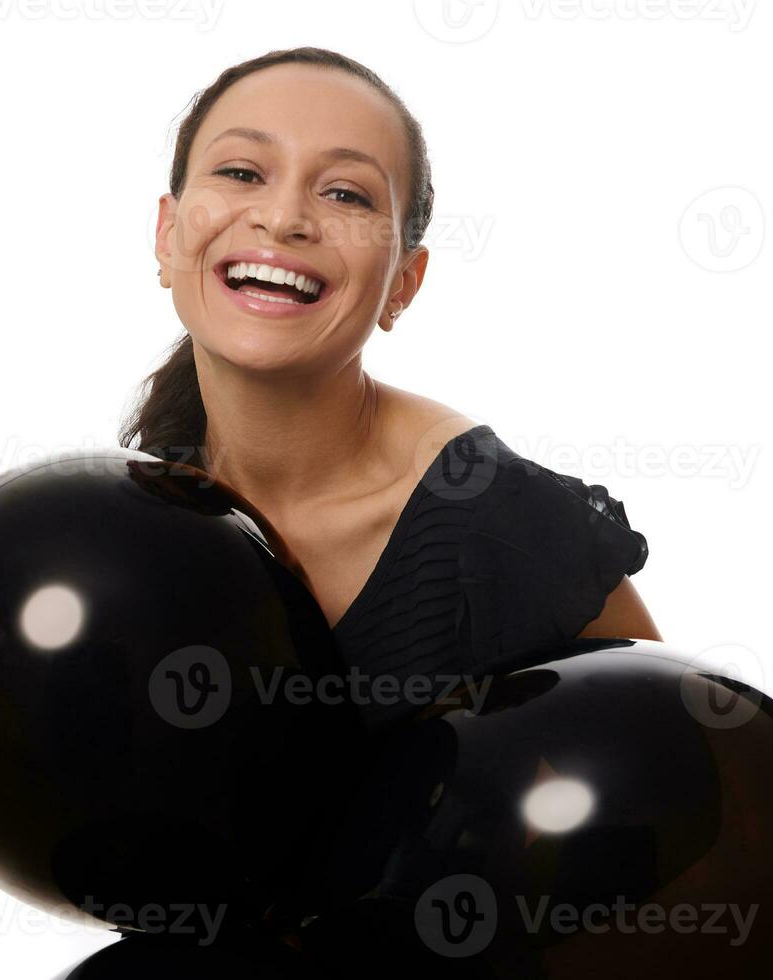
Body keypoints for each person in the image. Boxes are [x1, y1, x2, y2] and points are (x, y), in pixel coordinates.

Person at [122, 46, 660, 730]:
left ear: (403, 283)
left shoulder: (507, 528)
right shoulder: (137, 507)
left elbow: (684, 788)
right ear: (168, 234)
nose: (283, 217)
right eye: (240, 172)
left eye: (345, 193)